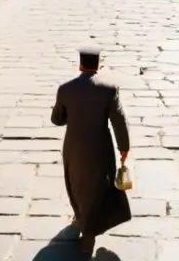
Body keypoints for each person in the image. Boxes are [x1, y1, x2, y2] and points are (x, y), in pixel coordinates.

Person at [51, 47, 131, 257]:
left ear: (80, 65)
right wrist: (124, 147)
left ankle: (81, 221)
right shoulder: (109, 89)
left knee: (75, 184)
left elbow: (57, 119)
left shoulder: (65, 89)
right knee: (97, 189)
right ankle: (88, 236)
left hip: (73, 148)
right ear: (98, 66)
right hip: (100, 149)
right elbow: (119, 121)